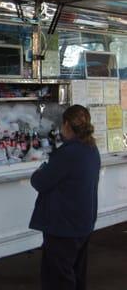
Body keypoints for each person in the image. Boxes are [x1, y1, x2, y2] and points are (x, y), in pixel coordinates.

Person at [29, 104, 100, 290]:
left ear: (67, 125)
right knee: (76, 275)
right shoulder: (91, 149)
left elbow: (40, 182)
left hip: (63, 227)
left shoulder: (68, 154)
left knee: (58, 280)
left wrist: (41, 169)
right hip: (83, 224)